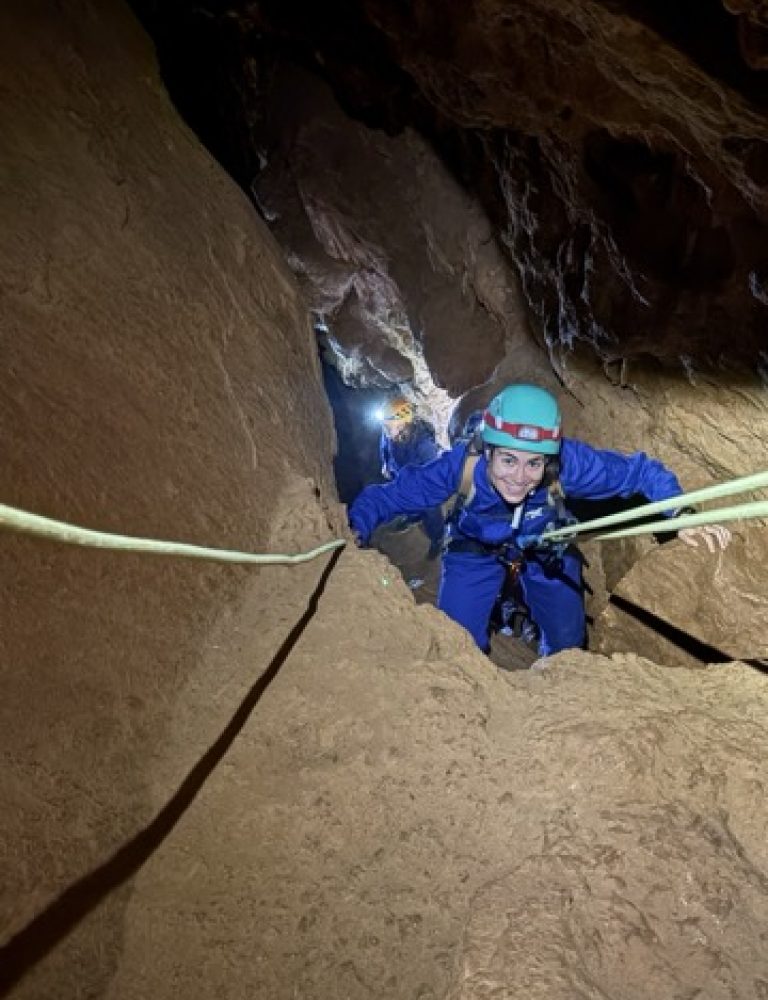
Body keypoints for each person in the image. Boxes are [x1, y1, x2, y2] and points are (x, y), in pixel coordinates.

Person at [350, 383, 731, 656]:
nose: (520, 477)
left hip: (546, 546)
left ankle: (553, 683)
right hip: (475, 551)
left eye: (534, 463)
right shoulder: (460, 466)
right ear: (488, 452)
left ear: (548, 459)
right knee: (456, 644)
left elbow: (639, 472)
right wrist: (354, 526)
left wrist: (680, 513)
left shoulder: (567, 465)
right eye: (508, 461)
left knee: (568, 643)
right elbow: (391, 496)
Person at [375, 396, 445, 558]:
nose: (385, 430)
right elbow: (384, 447)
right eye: (384, 426)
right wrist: (386, 464)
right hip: (400, 474)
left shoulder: (423, 443)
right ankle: (413, 517)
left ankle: (437, 538)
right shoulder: (389, 434)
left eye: (388, 426)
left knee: (430, 510)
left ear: (402, 424)